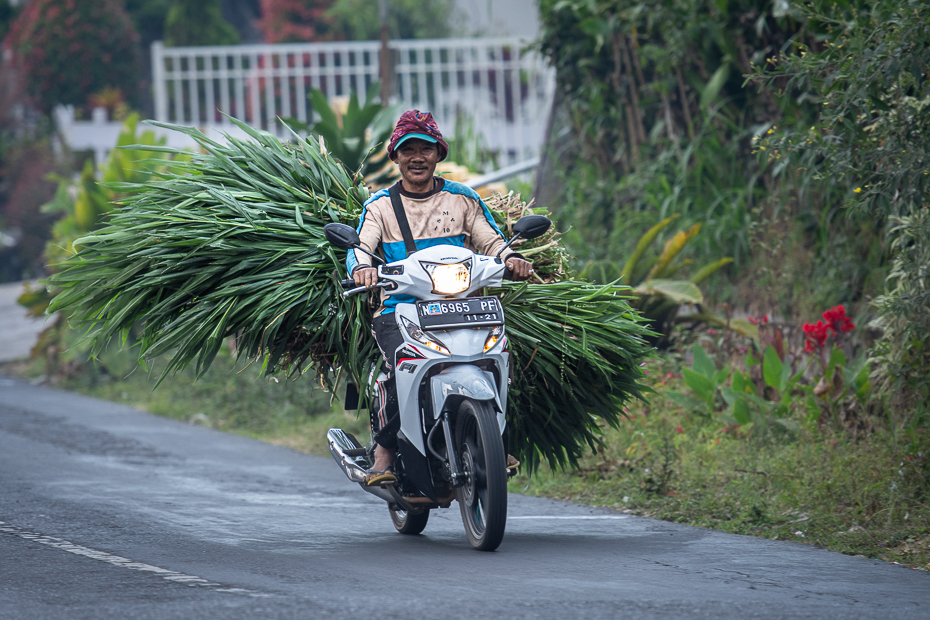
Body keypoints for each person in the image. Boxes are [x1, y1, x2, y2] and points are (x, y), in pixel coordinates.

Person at [348, 110, 533, 486]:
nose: (417, 157)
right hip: (401, 309)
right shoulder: (380, 206)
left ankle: (494, 440)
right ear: (395, 156)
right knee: (399, 369)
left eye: (426, 149)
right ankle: (384, 451)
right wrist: (362, 269)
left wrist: (510, 258)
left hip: (465, 305)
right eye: (408, 149)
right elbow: (361, 247)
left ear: (438, 154)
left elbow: (491, 239)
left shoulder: (462, 198)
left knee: (505, 364)